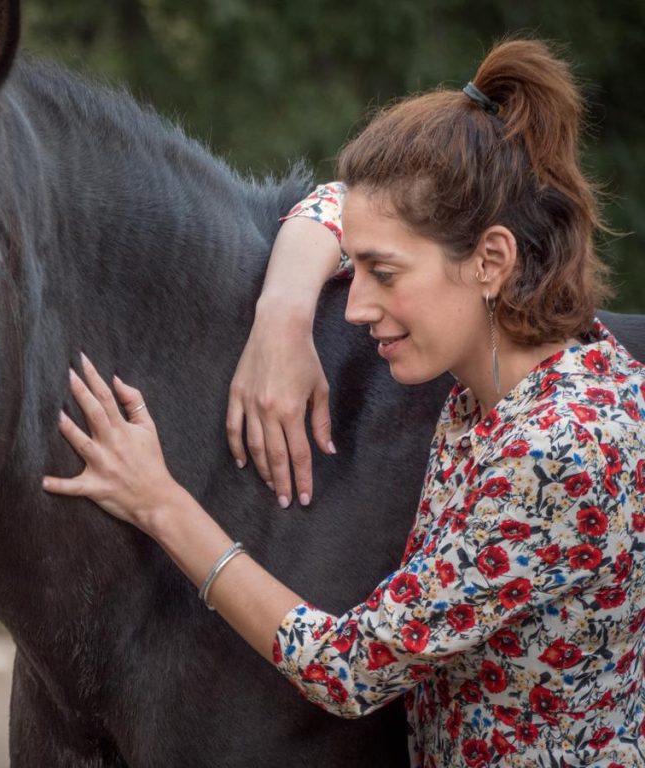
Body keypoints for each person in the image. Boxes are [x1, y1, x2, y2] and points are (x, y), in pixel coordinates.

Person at [41, 39, 645, 766]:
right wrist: (283, 314)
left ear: (491, 260)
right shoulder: (525, 372)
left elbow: (348, 669)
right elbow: (336, 202)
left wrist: (159, 502)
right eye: (353, 267)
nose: (356, 306)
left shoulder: (560, 450)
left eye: (382, 274)